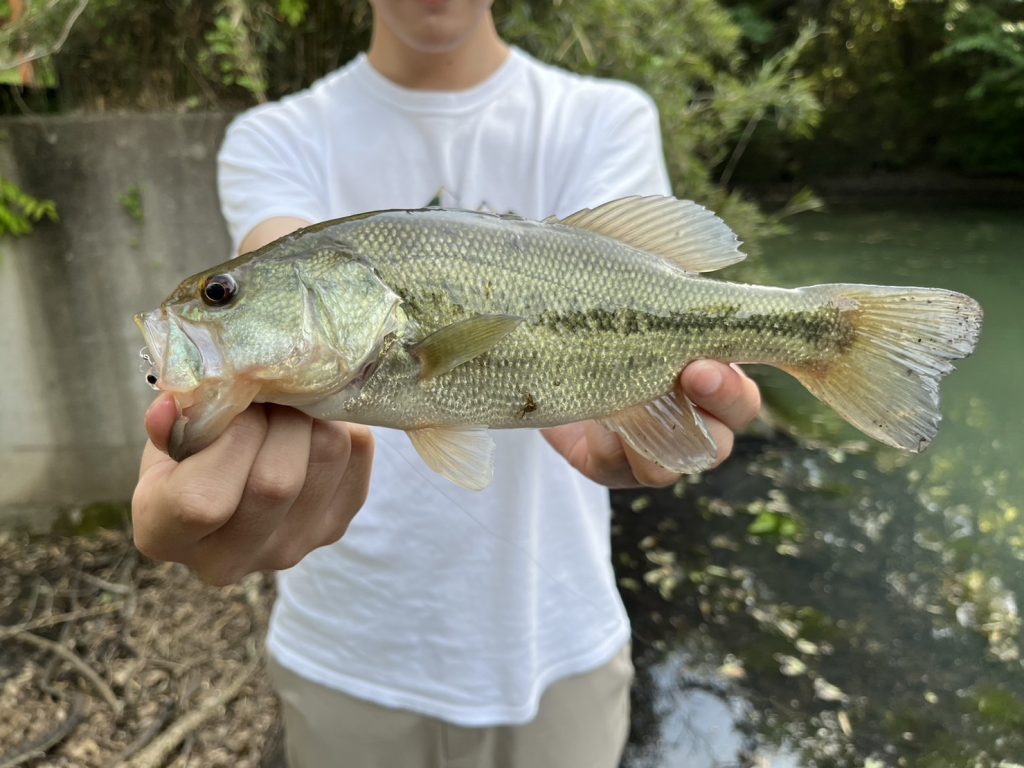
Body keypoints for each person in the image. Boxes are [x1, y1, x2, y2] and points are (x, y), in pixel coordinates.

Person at [132, 1, 762, 766]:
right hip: (346, 660)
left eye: (219, 298)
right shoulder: (274, 136)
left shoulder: (606, 117)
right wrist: (244, 380)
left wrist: (648, 415)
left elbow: (648, 282)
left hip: (559, 649)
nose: (216, 309)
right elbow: (276, 246)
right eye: (221, 297)